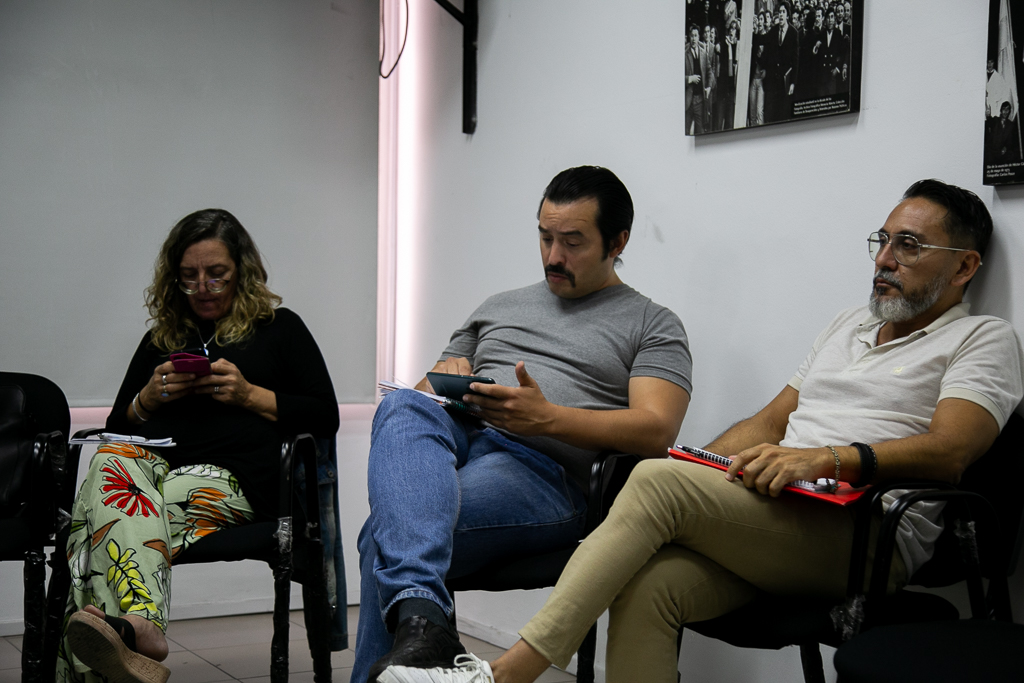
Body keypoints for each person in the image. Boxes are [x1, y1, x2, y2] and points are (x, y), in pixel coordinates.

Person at [378, 179, 1024, 683]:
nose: (884, 259)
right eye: (882, 240)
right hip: (788, 509)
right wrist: (699, 465)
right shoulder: (848, 325)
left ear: (964, 266)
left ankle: (508, 672)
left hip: (869, 533)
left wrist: (825, 459)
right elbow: (769, 422)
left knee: (654, 482)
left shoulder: (982, 338)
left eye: (908, 246)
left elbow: (952, 451)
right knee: (651, 583)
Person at [352, 166, 693, 682]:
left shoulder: (652, 323)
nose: (553, 256)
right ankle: (424, 635)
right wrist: (445, 380)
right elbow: (422, 401)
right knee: (402, 405)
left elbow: (657, 429)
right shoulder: (498, 307)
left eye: (572, 242)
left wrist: (548, 420)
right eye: (545, 237)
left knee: (382, 538)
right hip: (459, 437)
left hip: (541, 471)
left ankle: (422, 631)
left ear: (617, 241)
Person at [59, 209, 340, 683]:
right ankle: (139, 630)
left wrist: (249, 395)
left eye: (216, 275)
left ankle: (112, 650)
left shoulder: (280, 328)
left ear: (242, 271)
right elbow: (116, 426)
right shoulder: (162, 338)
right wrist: (147, 400)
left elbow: (324, 414)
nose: (203, 288)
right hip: (154, 466)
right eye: (189, 277)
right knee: (110, 463)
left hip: (238, 478)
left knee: (94, 530)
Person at [763, 1, 800, 123]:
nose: (781, 15)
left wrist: (793, 83)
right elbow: (766, 53)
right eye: (779, 12)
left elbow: (795, 60)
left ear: (788, 15)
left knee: (783, 115)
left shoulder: (793, 33)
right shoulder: (773, 31)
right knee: (769, 116)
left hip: (785, 84)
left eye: (783, 12)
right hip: (772, 83)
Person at [685, 25, 714, 135]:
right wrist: (689, 79)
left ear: (699, 37)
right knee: (685, 132)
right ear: (689, 37)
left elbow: (710, 72)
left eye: (696, 36)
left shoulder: (703, 54)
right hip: (688, 101)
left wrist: (709, 87)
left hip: (700, 101)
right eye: (692, 36)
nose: (694, 39)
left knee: (700, 133)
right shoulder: (684, 55)